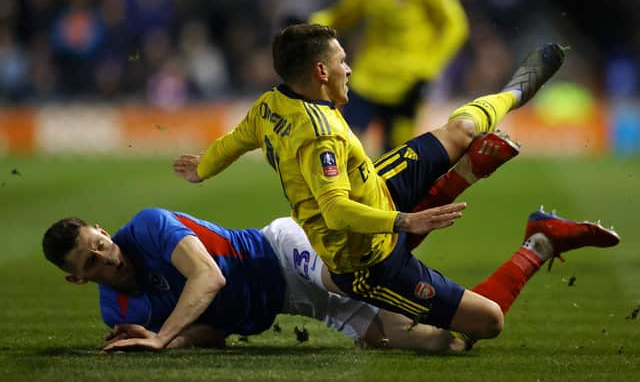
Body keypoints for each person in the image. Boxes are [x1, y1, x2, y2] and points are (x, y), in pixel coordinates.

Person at [172, 23, 611, 345]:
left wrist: (204, 168)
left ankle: (514, 94)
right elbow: (337, 211)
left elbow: (234, 141)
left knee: (460, 131)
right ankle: (535, 243)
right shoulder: (319, 135)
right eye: (343, 60)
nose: (350, 67)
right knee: (488, 322)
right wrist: (405, 221)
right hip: (367, 260)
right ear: (321, 71)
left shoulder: (269, 105)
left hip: (379, 187)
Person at [42, 208, 619, 353]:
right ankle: (539, 242)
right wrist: (163, 346)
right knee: (461, 336)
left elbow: (210, 279)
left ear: (102, 228)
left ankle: (435, 193)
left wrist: (163, 336)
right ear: (77, 281)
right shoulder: (119, 313)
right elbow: (211, 332)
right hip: (296, 303)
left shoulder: (147, 227)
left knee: (349, 278)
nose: (107, 259)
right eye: (91, 264)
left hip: (285, 249)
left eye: (100, 245)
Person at [309, 0, 469, 151]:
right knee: (344, 142)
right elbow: (346, 15)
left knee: (395, 155)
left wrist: (429, 69)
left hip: (408, 80)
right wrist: (314, 22)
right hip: (369, 76)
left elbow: (455, 25)